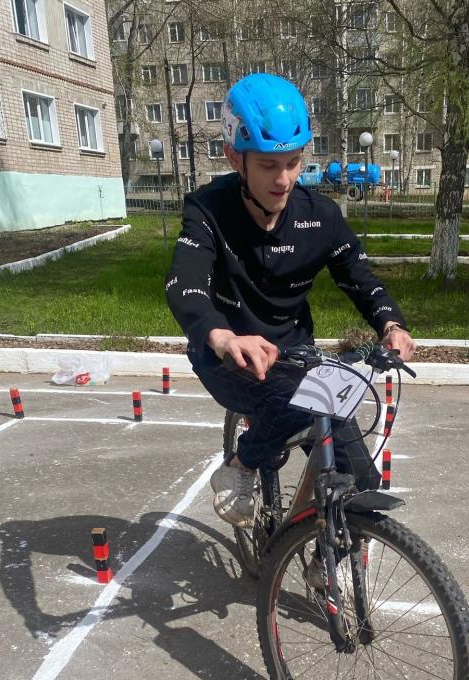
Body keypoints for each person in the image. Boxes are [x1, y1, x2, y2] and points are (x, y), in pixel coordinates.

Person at [165, 73, 414, 529]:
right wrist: (222, 337)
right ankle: (240, 466)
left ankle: (319, 549)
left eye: (293, 163)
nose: (283, 180)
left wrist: (391, 325)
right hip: (226, 357)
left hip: (296, 355)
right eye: (267, 165)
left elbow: (359, 278)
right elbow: (185, 285)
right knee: (294, 402)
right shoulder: (208, 210)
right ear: (234, 158)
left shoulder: (321, 216)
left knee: (360, 478)